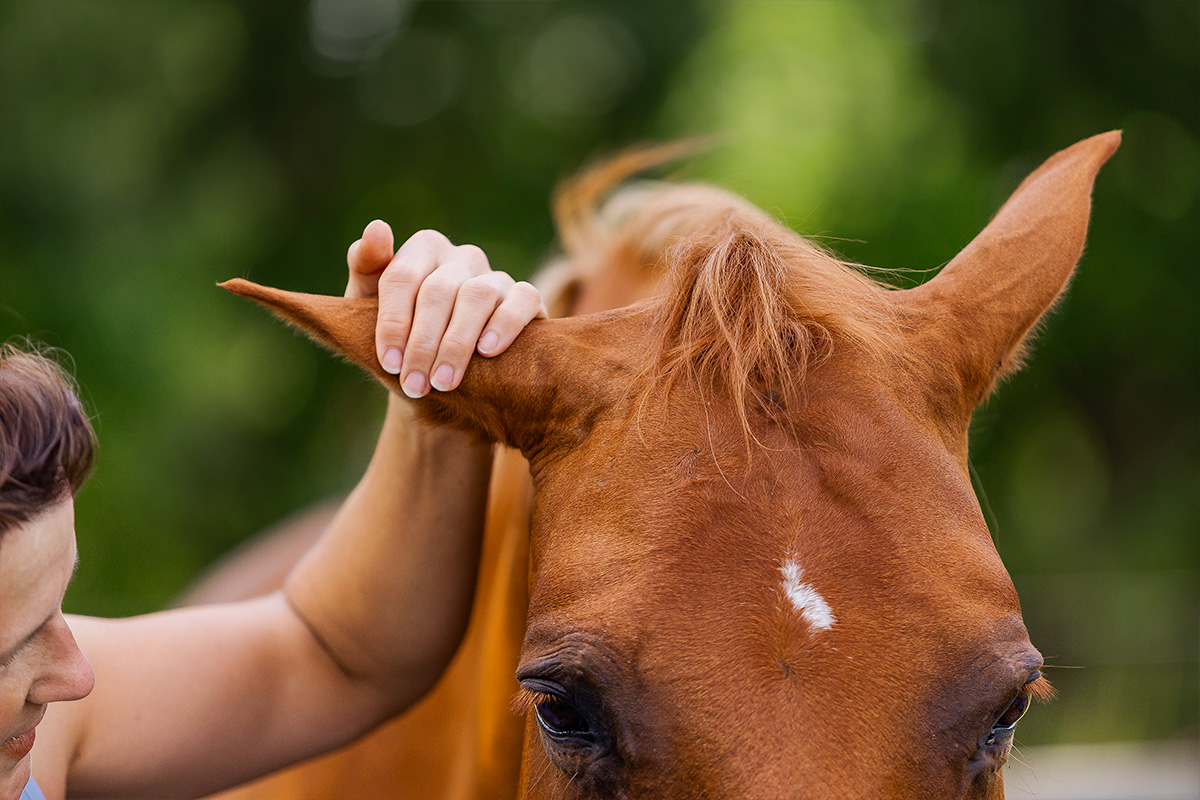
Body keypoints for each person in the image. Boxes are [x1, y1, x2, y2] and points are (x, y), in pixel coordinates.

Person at [0, 222, 545, 800]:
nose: (78, 678)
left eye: (59, 606)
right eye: (11, 651)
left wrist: (435, 383)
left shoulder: (46, 738)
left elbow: (336, 654)